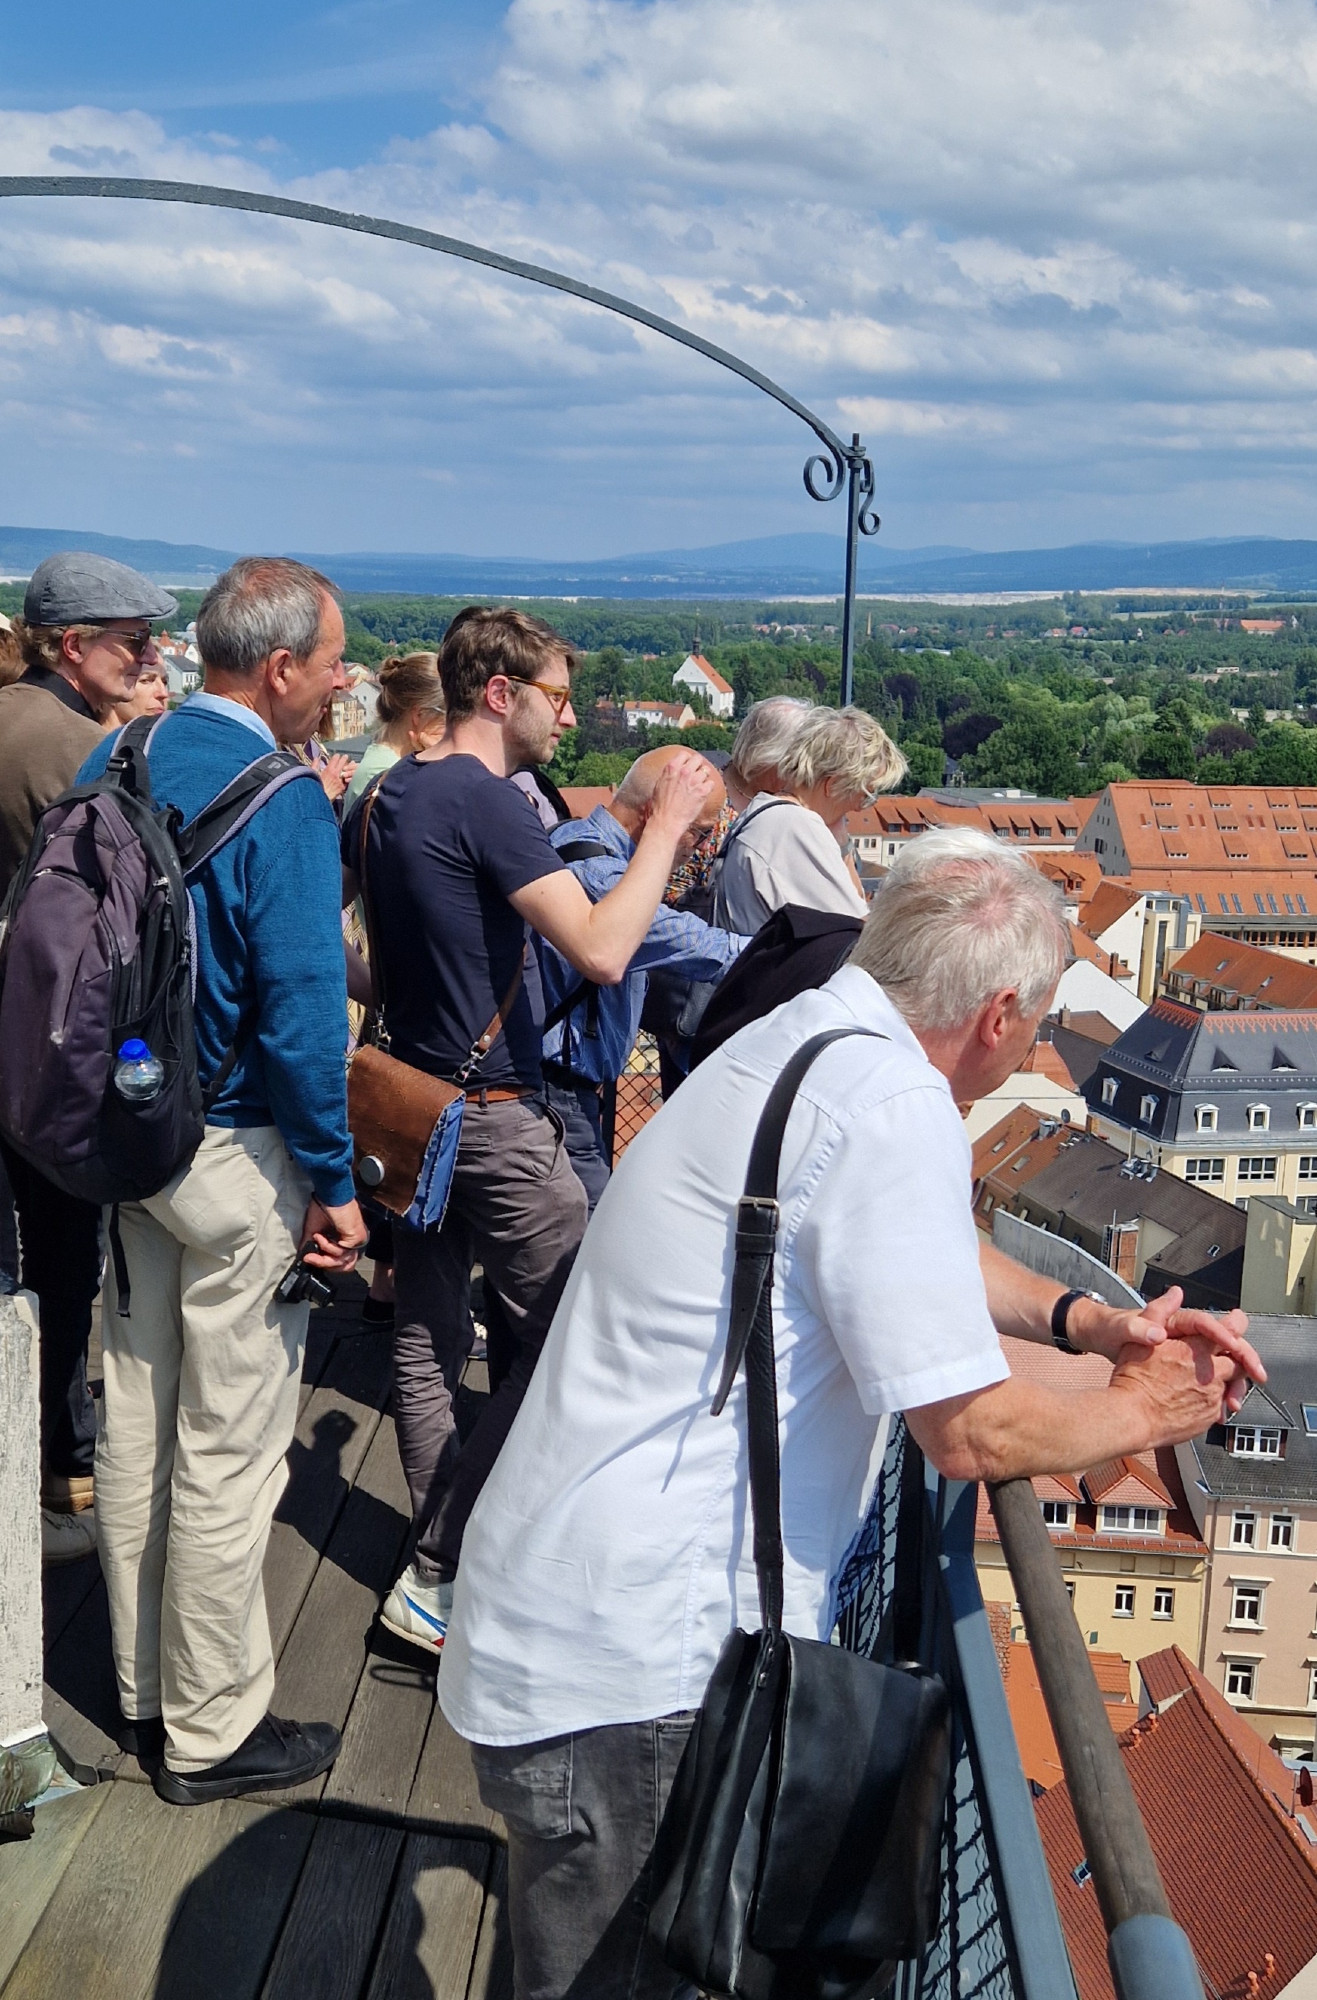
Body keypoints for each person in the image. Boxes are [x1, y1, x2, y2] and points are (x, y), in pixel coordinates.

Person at [438, 826, 1263, 2000]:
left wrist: (1082, 1318)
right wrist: (1147, 1409)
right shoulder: (889, 1104)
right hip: (639, 1673)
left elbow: (912, 1246)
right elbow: (969, 1433)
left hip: (574, 1617)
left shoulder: (814, 1035)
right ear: (1002, 1014)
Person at [342, 605, 714, 1658]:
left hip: (407, 1101)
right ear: (499, 693)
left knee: (424, 1339)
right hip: (496, 1115)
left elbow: (344, 954)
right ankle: (453, 1566)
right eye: (556, 693)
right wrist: (671, 827)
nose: (569, 714)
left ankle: (439, 1564)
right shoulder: (492, 803)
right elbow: (602, 949)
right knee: (576, 1339)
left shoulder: (383, 795)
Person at [75, 556, 368, 1805]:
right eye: (336, 658)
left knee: (137, 1421)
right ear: (282, 665)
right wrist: (337, 1182)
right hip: (237, 1149)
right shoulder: (286, 799)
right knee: (230, 1447)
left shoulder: (117, 760)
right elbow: (307, 1017)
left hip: (125, 1139)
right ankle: (210, 1731)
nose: (346, 679)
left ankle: (140, 1690)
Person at [0, 552, 176, 1563]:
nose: (149, 654)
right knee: (67, 1252)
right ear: (73, 645)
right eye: (131, 640)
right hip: (42, 1038)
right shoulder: (75, 745)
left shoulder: (13, 713)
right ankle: (61, 1449)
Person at [538, 746, 748, 1210]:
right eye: (697, 832)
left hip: (560, 1088)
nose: (698, 851)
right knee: (590, 1242)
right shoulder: (601, 875)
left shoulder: (570, 836)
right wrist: (809, 949)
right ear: (659, 814)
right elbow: (708, 948)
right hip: (561, 1093)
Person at [715, 704, 905, 936]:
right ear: (832, 785)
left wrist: (839, 835)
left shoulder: (763, 811)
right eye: (865, 795)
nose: (860, 807)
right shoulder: (794, 827)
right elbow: (860, 934)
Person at [344, 651, 446, 808]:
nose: (453, 726)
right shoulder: (386, 774)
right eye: (448, 715)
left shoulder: (390, 765)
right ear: (420, 715)